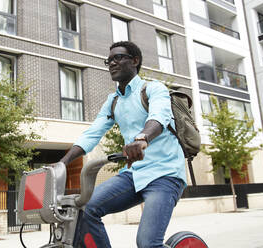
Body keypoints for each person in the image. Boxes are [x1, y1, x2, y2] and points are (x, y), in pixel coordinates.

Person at [60, 41, 186, 248]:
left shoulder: (153, 89)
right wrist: (63, 162)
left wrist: (142, 138)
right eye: (109, 60)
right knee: (86, 208)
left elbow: (159, 118)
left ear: (135, 61)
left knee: (148, 244)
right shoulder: (113, 101)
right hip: (133, 175)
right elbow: (92, 133)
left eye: (118, 58)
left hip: (165, 175)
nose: (111, 63)